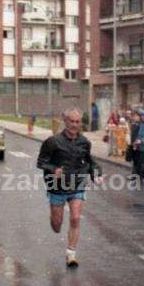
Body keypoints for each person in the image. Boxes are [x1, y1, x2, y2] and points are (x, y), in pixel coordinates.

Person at [37, 108, 102, 268]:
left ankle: (71, 253)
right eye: (71, 121)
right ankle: (54, 219)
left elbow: (89, 162)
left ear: (81, 123)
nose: (74, 125)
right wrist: (53, 169)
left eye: (77, 121)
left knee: (75, 218)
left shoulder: (84, 142)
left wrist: (96, 174)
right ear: (65, 121)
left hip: (77, 183)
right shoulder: (52, 141)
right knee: (57, 225)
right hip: (56, 186)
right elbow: (41, 162)